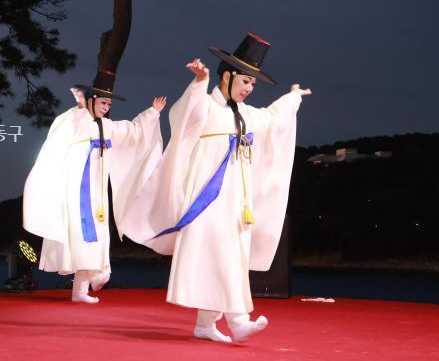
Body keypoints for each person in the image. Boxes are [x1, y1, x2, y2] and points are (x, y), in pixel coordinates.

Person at [121, 34, 311, 343]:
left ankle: (207, 325)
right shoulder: (208, 107)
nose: (249, 89)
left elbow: (273, 120)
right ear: (227, 75)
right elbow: (184, 115)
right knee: (223, 256)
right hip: (208, 200)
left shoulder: (246, 115)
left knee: (229, 256)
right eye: (246, 81)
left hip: (235, 202)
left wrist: (293, 97)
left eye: (253, 84)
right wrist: (199, 81)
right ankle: (237, 321)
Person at [23, 70, 165, 303]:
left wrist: (152, 112)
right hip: (76, 192)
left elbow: (134, 131)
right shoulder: (76, 122)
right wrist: (79, 105)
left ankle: (84, 288)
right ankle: (97, 275)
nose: (106, 107)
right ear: (90, 101)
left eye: (108, 103)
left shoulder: (107, 126)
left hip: (97, 193)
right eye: (102, 102)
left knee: (97, 236)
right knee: (82, 237)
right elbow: (64, 132)